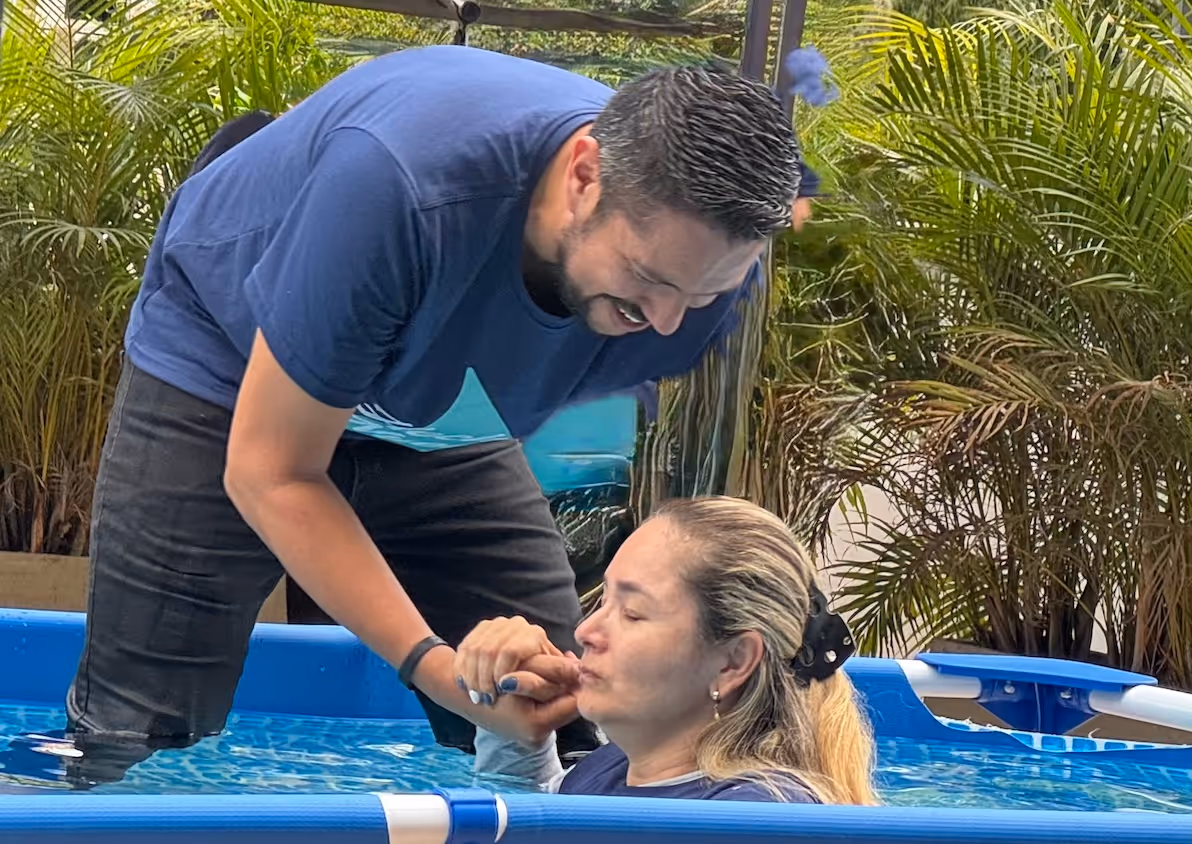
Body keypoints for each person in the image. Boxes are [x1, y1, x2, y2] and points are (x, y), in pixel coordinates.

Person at [61, 45, 806, 787]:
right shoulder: (397, 187)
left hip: (438, 414)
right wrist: (435, 666)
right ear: (583, 176)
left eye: (702, 294)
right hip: (227, 373)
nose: (670, 321)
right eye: (645, 279)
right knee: (142, 731)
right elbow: (274, 471)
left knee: (563, 706)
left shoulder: (700, 267)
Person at [454, 496, 879, 804]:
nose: (585, 631)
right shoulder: (608, 770)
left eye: (633, 613)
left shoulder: (756, 818)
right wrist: (513, 739)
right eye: (603, 603)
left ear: (733, 662)